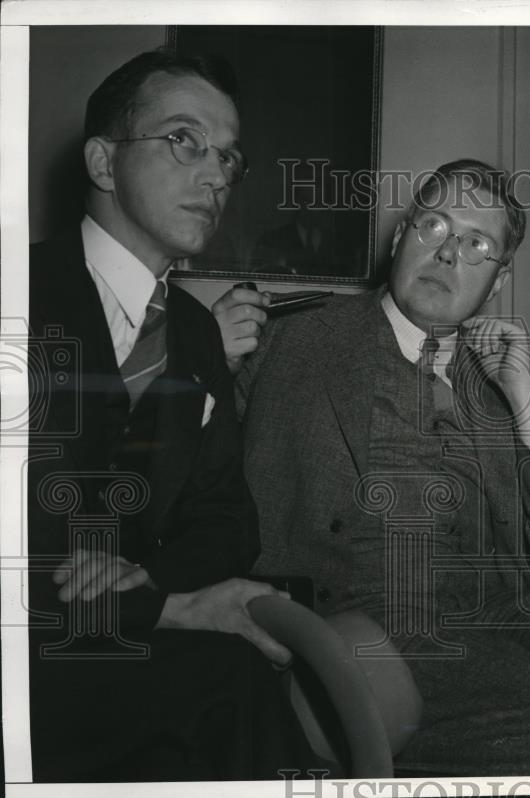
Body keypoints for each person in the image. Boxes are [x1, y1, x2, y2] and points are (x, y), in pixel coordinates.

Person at [223, 159, 530, 775]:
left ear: (499, 280)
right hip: (351, 631)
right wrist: (204, 365)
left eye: (477, 244)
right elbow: (186, 478)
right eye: (434, 227)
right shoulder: (291, 338)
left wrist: (529, 403)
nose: (450, 253)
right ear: (401, 238)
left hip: (486, 622)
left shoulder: (493, 377)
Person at [28, 49, 310, 781]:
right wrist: (164, 608)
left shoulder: (192, 332)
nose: (217, 175)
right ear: (101, 160)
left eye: (227, 156)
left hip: (124, 651)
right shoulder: (16, 293)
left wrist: (141, 581)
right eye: (184, 140)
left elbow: (227, 520)